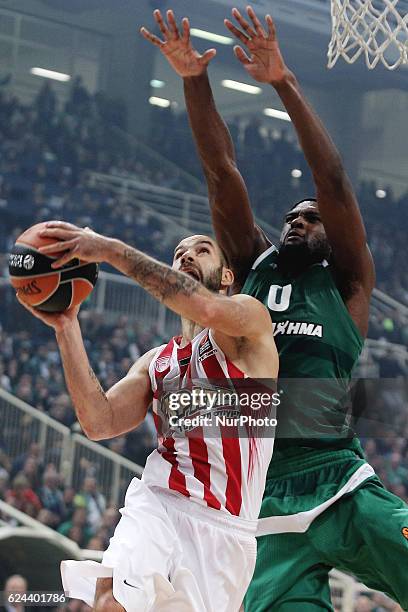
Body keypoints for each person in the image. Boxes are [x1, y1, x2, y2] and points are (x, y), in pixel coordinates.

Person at [141, 6, 408, 611]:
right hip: (263, 502)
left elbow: (334, 181)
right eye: (291, 215)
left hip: (341, 481)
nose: (297, 220)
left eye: (310, 217)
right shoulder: (252, 267)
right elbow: (220, 173)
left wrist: (284, 82)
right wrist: (192, 77)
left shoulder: (348, 280)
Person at [19, 221, 278, 611]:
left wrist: (109, 249)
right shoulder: (157, 362)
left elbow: (204, 306)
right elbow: (98, 422)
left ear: (227, 275)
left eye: (202, 249)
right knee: (110, 599)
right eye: (179, 253)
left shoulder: (250, 322)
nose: (187, 255)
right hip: (158, 500)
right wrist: (66, 325)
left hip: (224, 528)